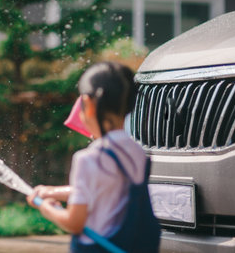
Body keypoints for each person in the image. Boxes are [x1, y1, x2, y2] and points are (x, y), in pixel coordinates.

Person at [27, 62, 160, 253]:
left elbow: (74, 223)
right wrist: (53, 192)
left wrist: (47, 208)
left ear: (88, 105)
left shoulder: (88, 159)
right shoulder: (137, 152)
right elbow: (106, 188)